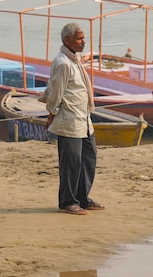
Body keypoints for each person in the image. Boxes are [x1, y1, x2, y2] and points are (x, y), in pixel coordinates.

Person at [44, 22, 105, 215]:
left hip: (84, 119)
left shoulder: (75, 59)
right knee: (71, 162)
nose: (83, 42)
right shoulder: (62, 62)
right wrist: (51, 113)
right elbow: (56, 92)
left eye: (83, 38)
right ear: (67, 40)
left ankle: (82, 198)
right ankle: (67, 202)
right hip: (69, 119)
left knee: (88, 158)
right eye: (79, 39)